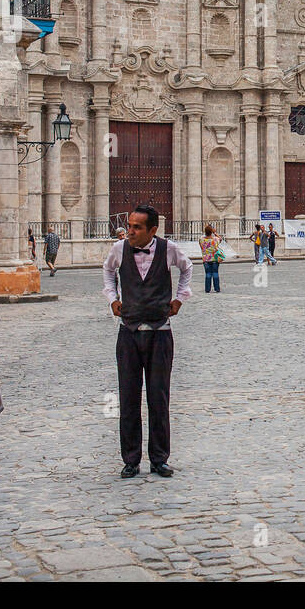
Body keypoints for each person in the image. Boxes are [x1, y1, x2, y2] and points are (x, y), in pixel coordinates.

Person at [103, 205, 194, 479]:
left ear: (152, 230)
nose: (130, 231)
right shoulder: (119, 250)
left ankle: (159, 459)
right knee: (129, 398)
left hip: (160, 332)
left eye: (137, 227)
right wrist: (113, 299)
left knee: (159, 397)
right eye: (129, 226)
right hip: (128, 333)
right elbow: (107, 273)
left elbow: (187, 269)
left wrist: (180, 299)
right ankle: (130, 460)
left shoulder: (169, 249)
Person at [199, 224, 222, 293]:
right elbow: (220, 239)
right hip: (215, 259)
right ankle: (217, 288)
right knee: (215, 273)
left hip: (206, 259)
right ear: (211, 231)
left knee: (208, 274)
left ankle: (207, 289)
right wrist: (215, 233)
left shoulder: (201, 239)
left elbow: (201, 247)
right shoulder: (215, 239)